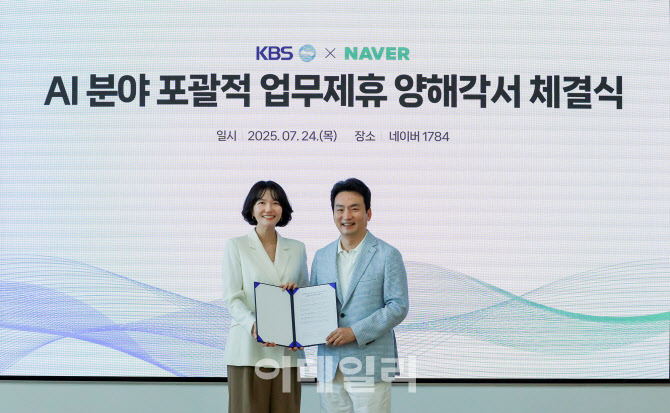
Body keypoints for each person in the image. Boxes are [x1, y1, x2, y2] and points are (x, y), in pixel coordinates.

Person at [310, 178, 409, 413]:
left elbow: (398, 307)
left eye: (354, 208)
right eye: (340, 209)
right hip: (330, 365)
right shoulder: (321, 256)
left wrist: (355, 332)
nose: (346, 215)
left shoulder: (388, 254)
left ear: (368, 213)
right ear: (333, 214)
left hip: (370, 364)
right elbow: (312, 305)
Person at [222, 181, 307, 413]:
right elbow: (233, 298)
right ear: (252, 209)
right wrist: (255, 326)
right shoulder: (236, 246)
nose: (269, 208)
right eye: (262, 202)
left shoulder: (297, 248)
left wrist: (296, 293)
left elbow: (304, 298)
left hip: (287, 351)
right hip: (249, 349)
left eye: (276, 202)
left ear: (283, 209)